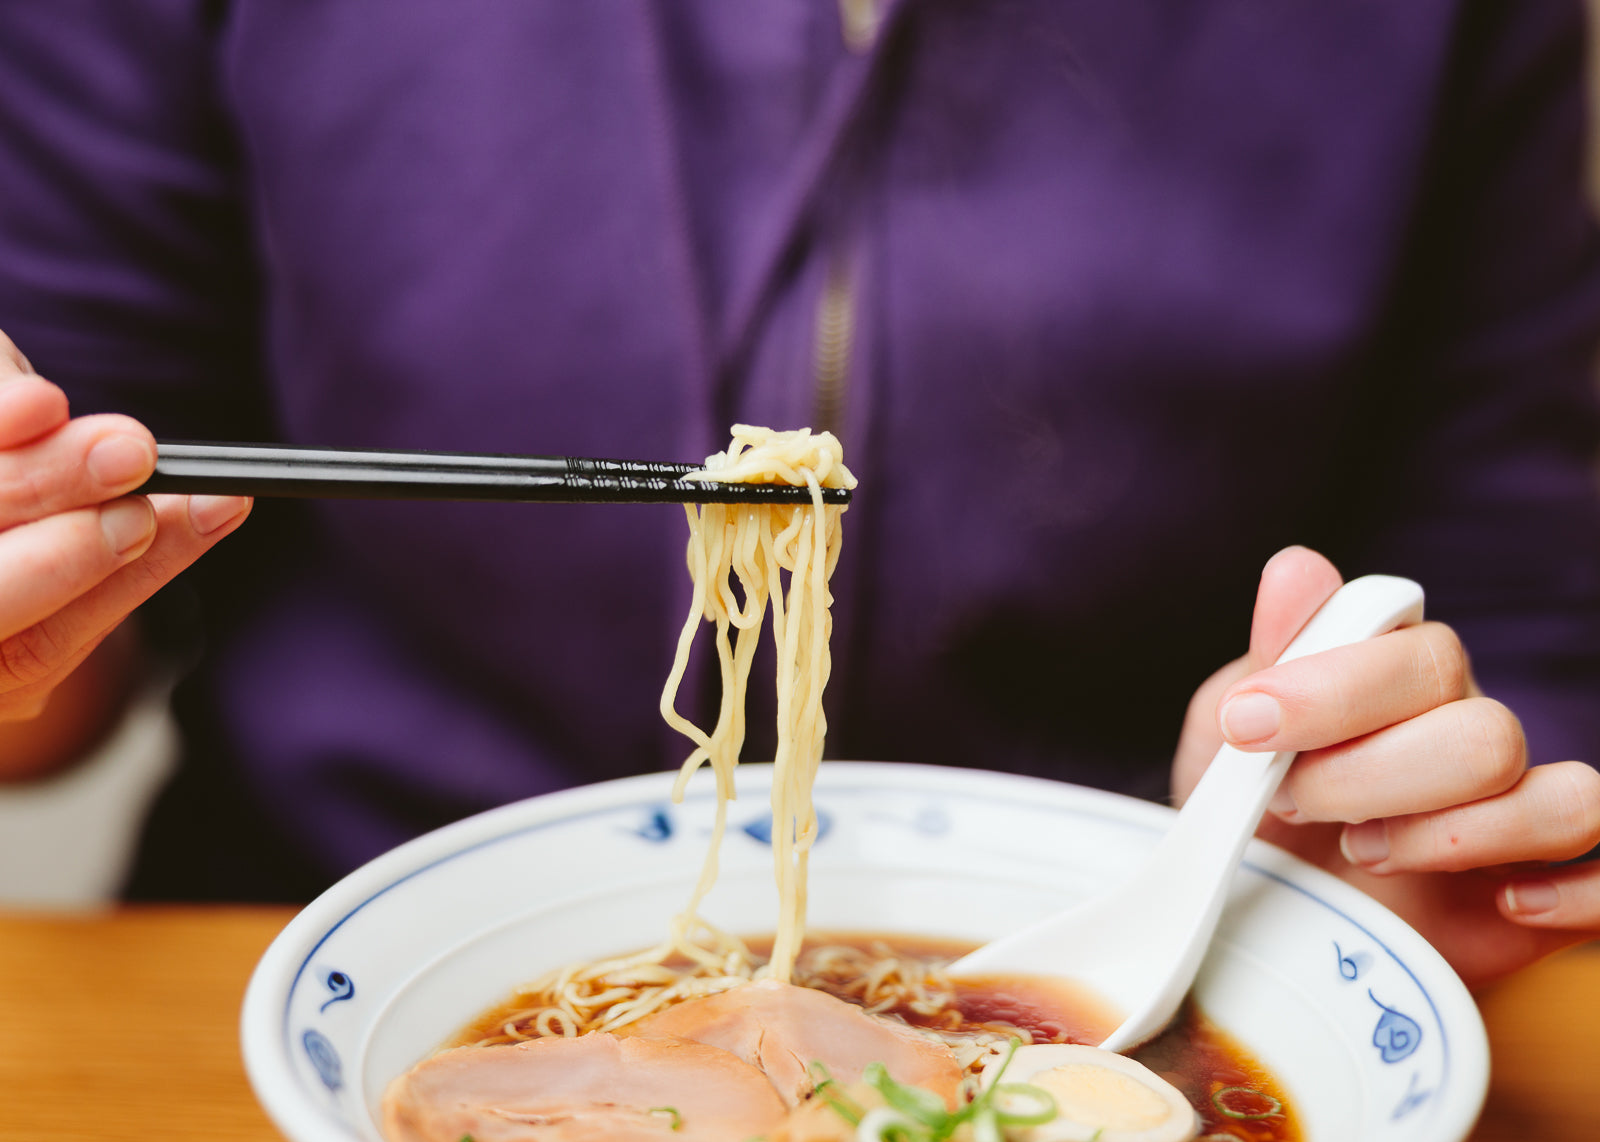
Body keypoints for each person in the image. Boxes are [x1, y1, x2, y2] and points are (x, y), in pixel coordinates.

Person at [0, 1, 1597, 989]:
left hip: (1140, 934)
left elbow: (1524, 609)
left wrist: (1364, 853)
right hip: (311, 929)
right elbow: (89, 536)